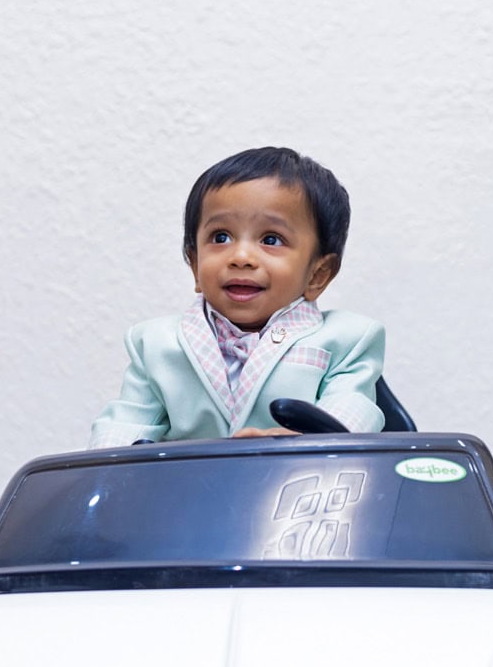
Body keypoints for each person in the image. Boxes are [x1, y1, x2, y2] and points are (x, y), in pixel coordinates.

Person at [88, 146, 385, 447]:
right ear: (194, 265)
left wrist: (306, 441)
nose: (241, 257)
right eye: (221, 237)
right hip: (194, 491)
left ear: (317, 274)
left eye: (271, 239)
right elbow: (125, 425)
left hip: (298, 484)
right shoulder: (155, 344)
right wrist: (105, 466)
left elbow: (353, 410)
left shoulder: (349, 339)